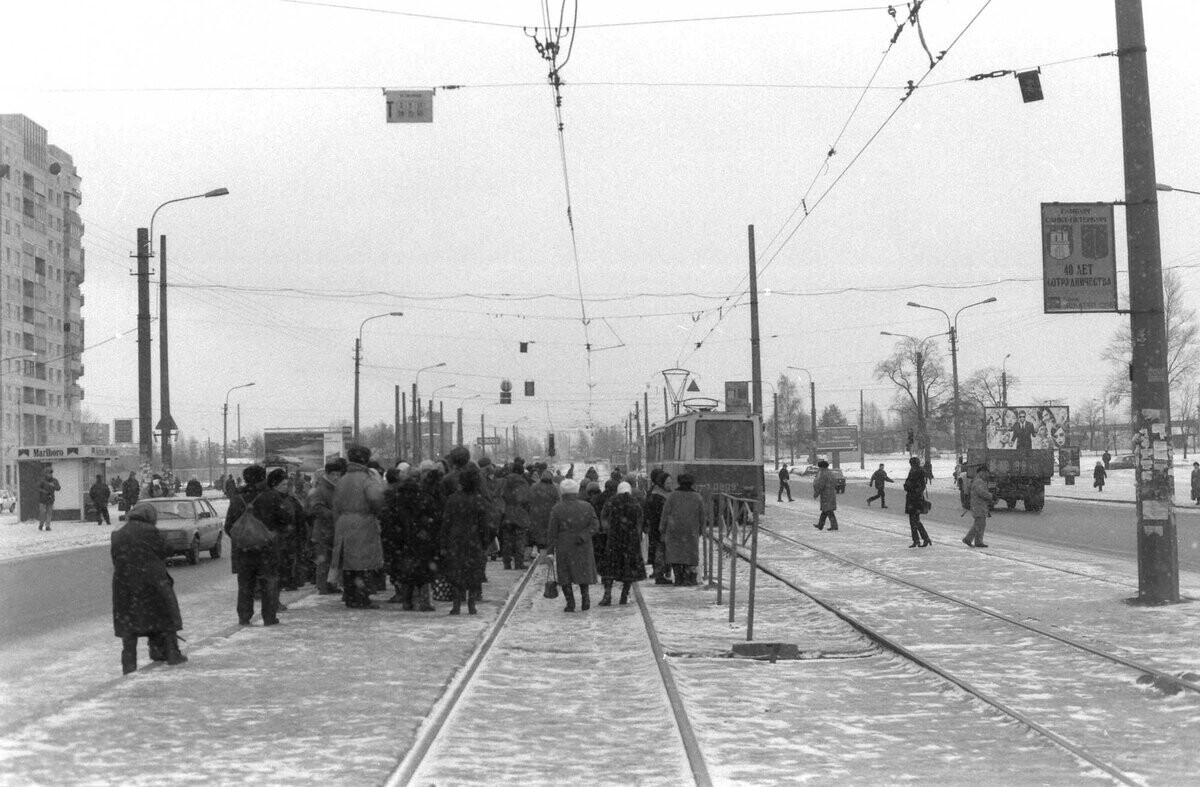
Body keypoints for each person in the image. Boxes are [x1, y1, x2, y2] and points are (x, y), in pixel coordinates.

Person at [111, 501, 186, 674]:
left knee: (129, 626)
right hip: (153, 582)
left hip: (125, 584)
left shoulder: (118, 533)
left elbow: (115, 557)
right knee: (164, 616)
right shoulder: (151, 532)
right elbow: (166, 549)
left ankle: (129, 665)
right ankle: (170, 652)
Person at [225, 464, 290, 625]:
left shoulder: (237, 498)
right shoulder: (272, 497)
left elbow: (229, 526)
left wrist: (244, 538)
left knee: (245, 585)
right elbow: (285, 520)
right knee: (268, 583)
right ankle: (269, 616)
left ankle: (244, 616)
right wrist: (272, 534)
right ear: (263, 478)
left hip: (243, 550)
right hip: (266, 549)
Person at [330, 445, 386, 609]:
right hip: (363, 523)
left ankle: (349, 595)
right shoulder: (366, 478)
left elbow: (336, 505)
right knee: (363, 564)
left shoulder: (343, 479)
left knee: (348, 563)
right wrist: (378, 511)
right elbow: (376, 498)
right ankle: (362, 597)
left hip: (344, 522)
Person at [441, 463, 492, 615]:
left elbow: (446, 522)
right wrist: (485, 541)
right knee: (472, 571)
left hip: (456, 539)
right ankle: (471, 603)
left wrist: (443, 542)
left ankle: (456, 602)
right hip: (474, 539)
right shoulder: (479, 500)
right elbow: (484, 523)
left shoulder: (453, 499)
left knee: (457, 570)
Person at [547, 478, 600, 611]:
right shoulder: (587, 506)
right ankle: (585, 598)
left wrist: (549, 550)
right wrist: (584, 536)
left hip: (564, 547)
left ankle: (570, 603)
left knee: (565, 575)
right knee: (583, 573)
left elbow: (552, 532)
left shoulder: (557, 508)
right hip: (582, 546)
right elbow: (595, 525)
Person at [597, 481, 647, 605]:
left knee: (610, 568)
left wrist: (608, 530)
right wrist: (637, 535)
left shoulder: (611, 502)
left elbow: (603, 517)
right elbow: (640, 521)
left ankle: (607, 595)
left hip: (614, 539)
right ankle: (624, 595)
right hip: (631, 541)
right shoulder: (635, 503)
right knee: (629, 569)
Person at [306, 458, 346, 595]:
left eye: (338, 474)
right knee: (323, 560)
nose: (336, 477)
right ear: (327, 474)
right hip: (324, 531)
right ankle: (323, 586)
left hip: (331, 529)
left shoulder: (334, 488)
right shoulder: (320, 489)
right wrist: (335, 515)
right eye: (333, 474)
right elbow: (317, 508)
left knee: (331, 559)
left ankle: (330, 584)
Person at [660, 473, 705, 585]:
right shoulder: (697, 497)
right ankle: (689, 576)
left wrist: (662, 528)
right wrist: (700, 529)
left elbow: (665, 514)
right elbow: (702, 516)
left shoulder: (672, 496)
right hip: (691, 530)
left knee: (675, 554)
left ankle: (678, 577)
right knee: (690, 554)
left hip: (674, 529)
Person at [499, 457, 532, 570]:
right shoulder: (522, 482)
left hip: (507, 512)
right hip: (519, 513)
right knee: (519, 539)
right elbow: (526, 498)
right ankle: (519, 562)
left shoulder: (505, 480)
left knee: (507, 539)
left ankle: (506, 563)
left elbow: (501, 495)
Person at [643, 470, 673, 585]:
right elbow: (655, 513)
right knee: (660, 550)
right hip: (659, 527)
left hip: (660, 527)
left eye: (671, 482)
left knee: (661, 549)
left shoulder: (657, 494)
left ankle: (662, 571)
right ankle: (660, 572)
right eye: (668, 482)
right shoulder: (657, 496)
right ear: (662, 483)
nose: (670, 485)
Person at [528, 469, 560, 558]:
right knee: (547, 536)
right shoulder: (553, 488)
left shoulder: (533, 487)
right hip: (548, 515)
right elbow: (558, 502)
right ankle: (546, 556)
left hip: (535, 515)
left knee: (536, 535)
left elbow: (528, 500)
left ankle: (538, 555)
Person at [903, 456, 932, 548]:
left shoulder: (917, 471)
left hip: (914, 499)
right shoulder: (915, 471)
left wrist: (912, 490)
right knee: (914, 521)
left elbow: (920, 485)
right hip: (913, 498)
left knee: (915, 521)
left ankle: (923, 539)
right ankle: (917, 540)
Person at [963, 463, 995, 548]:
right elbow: (982, 493)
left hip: (980, 505)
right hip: (978, 506)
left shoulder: (978, 480)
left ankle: (978, 541)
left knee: (980, 524)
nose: (987, 475)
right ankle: (968, 539)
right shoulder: (979, 481)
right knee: (979, 524)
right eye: (986, 473)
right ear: (982, 472)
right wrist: (991, 496)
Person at [811, 460, 839, 532]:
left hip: (826, 495)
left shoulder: (823, 474)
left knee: (828, 511)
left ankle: (833, 526)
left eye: (819, 467)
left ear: (822, 467)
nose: (819, 468)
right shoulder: (830, 473)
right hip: (831, 494)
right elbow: (835, 483)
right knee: (825, 511)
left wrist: (816, 493)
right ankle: (820, 525)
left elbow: (820, 485)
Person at [36, 466, 61, 531]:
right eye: (48, 473)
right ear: (45, 474)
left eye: (51, 473)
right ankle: (41, 524)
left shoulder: (54, 480)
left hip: (50, 499)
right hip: (42, 499)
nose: (50, 474)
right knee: (43, 512)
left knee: (49, 513)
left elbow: (58, 488)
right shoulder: (42, 480)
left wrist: (54, 486)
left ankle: (47, 526)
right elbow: (38, 488)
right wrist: (43, 491)